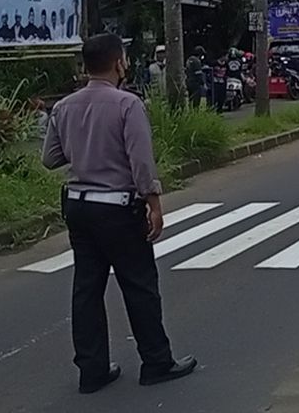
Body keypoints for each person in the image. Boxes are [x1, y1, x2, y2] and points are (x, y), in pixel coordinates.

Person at [41, 33, 197, 394]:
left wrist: (83, 148)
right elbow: (140, 160)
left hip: (78, 205)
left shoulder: (64, 107)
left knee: (87, 289)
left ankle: (92, 370)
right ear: (119, 63)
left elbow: (50, 158)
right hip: (117, 208)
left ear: (85, 66)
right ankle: (156, 361)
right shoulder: (128, 105)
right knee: (139, 284)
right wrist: (154, 203)